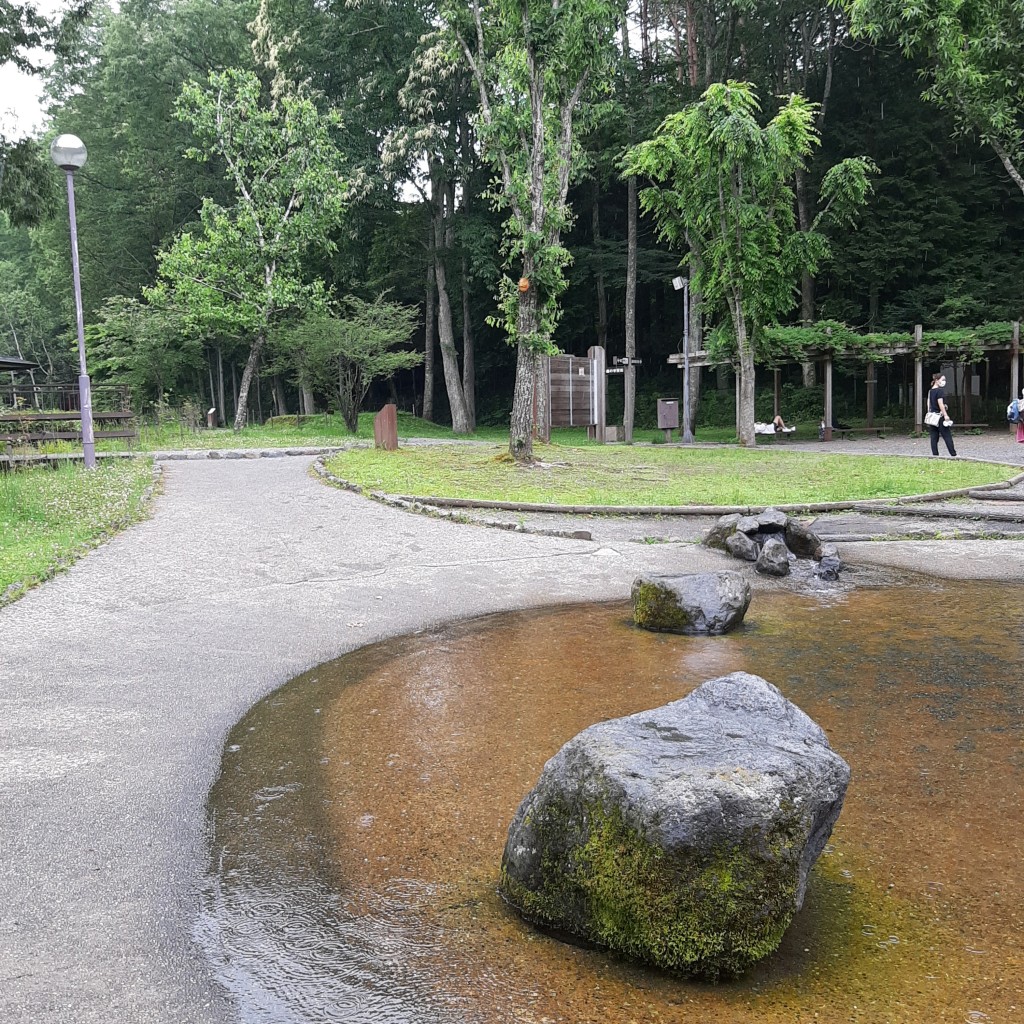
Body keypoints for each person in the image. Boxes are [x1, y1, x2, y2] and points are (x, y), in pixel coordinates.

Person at [927, 372, 957, 457]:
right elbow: (940, 404)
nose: (944, 381)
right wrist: (945, 415)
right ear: (937, 380)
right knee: (947, 436)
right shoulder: (939, 391)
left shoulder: (931, 391)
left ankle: (935, 454)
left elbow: (928, 404)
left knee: (934, 436)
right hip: (939, 416)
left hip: (932, 417)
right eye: (942, 380)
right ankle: (953, 454)